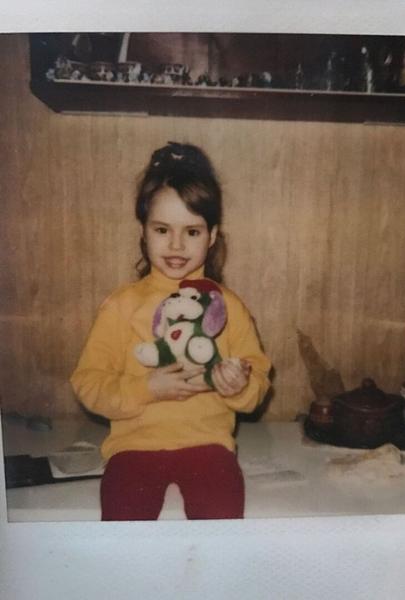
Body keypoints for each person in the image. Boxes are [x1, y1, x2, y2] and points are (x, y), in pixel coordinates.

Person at [70, 141, 271, 521]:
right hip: (133, 448)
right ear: (144, 231)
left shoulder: (229, 306)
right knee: (123, 532)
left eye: (192, 232)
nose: (176, 245)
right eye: (162, 229)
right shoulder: (121, 305)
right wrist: (146, 388)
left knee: (221, 530)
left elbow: (257, 379)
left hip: (208, 445)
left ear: (212, 236)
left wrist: (239, 385)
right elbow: (87, 382)